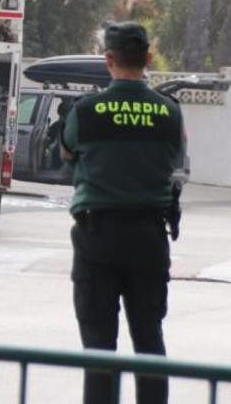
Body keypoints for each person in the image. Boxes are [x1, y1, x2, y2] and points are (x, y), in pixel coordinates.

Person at [61, 22, 183, 404]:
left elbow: (67, 152)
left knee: (99, 346)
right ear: (148, 59)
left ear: (108, 60)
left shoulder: (87, 110)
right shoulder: (170, 113)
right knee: (149, 340)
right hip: (149, 237)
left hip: (98, 236)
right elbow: (175, 159)